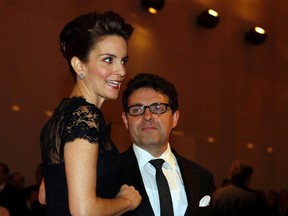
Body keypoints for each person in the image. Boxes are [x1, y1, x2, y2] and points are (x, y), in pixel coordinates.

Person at [39, 11, 141, 216]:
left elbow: (44, 195)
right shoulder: (85, 117)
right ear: (79, 65)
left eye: (123, 61)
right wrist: (126, 201)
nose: (121, 70)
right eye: (109, 59)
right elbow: (84, 211)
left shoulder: (62, 115)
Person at [118, 73, 215, 216]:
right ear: (126, 120)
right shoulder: (109, 174)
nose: (147, 117)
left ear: (175, 118)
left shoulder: (202, 177)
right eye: (137, 110)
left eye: (157, 108)